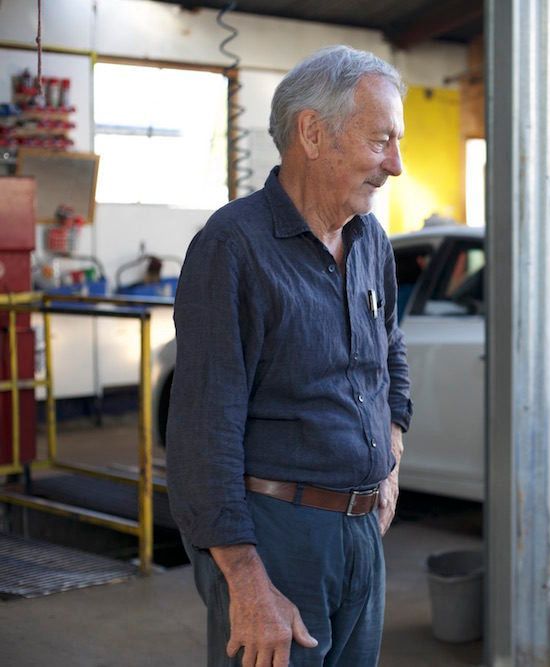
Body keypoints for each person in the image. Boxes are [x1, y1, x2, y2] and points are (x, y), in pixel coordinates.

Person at [167, 45, 412, 667]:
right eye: (381, 139)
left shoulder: (370, 240)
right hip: (276, 536)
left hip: (362, 532)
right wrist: (246, 580)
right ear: (312, 131)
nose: (397, 164)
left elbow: (391, 353)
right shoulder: (233, 246)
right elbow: (202, 431)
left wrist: (390, 443)